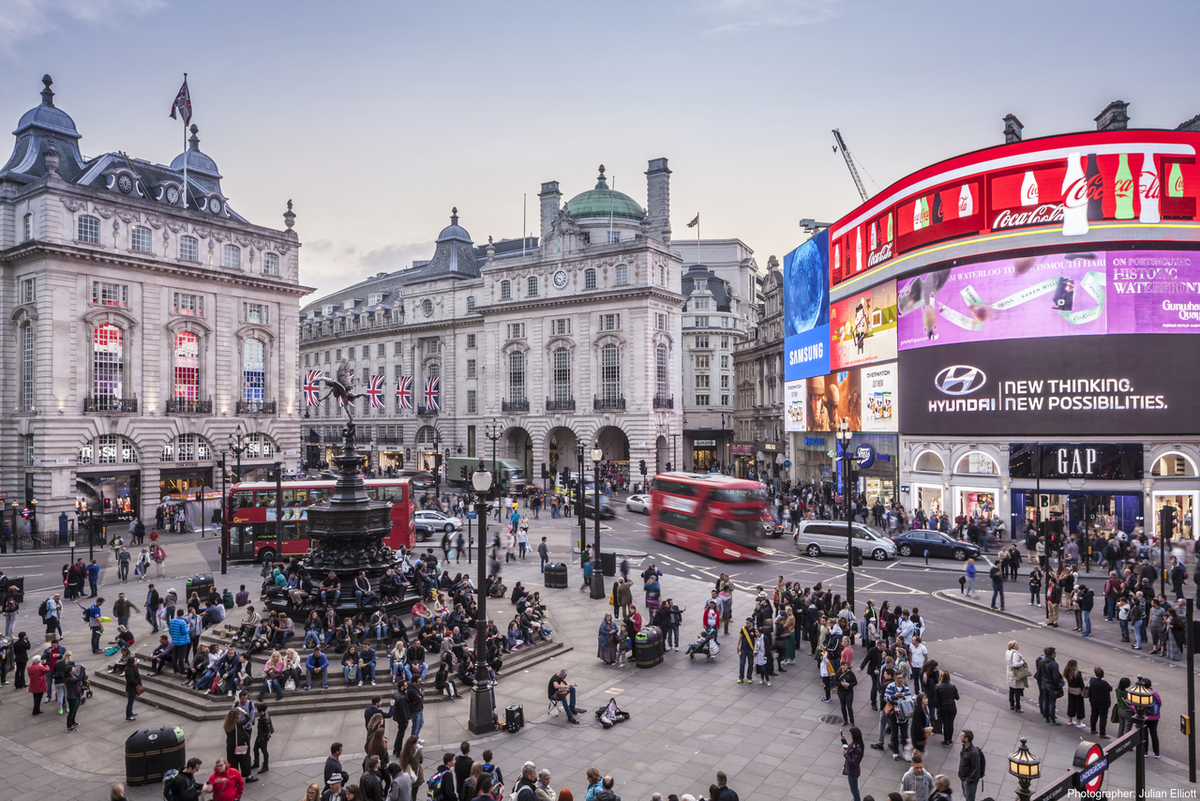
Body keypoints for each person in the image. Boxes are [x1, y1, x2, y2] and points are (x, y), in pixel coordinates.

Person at [1036, 646, 1063, 724]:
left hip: (1043, 682)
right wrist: (1057, 685)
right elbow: (1055, 677)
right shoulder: (1054, 664)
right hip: (1050, 684)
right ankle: (1052, 718)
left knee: (1045, 700)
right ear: (1052, 654)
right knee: (1052, 702)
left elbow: (1039, 672)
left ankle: (1046, 716)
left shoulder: (1042, 661)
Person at [933, 671, 960, 747]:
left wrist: (937, 707)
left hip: (943, 707)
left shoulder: (938, 686)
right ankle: (950, 740)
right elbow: (957, 697)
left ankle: (946, 740)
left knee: (945, 724)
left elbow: (936, 699)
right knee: (951, 723)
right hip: (951, 707)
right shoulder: (952, 686)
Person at [957, 729, 982, 801]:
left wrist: (968, 780)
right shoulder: (965, 748)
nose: (959, 737)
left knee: (969, 799)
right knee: (966, 796)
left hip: (969, 781)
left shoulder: (973, 753)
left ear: (966, 739)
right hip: (963, 778)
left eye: (961, 736)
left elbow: (976, 769)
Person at [1088, 666, 1112, 739]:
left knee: (1094, 715)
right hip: (1103, 703)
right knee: (1103, 717)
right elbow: (1110, 688)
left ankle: (1093, 729)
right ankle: (1102, 733)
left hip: (1094, 700)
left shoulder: (1092, 680)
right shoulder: (1104, 683)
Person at [1004, 640, 1028, 713]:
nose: (1018, 646)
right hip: (1016, 673)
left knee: (1011, 689)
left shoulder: (1008, 652)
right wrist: (1022, 662)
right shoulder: (1015, 654)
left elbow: (1006, 662)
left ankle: (1012, 704)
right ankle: (1018, 707)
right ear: (1013, 646)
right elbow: (1015, 664)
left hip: (1010, 673)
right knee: (1017, 690)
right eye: (1016, 645)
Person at [841, 726, 863, 801]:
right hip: (850, 770)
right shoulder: (854, 744)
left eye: (850, 734)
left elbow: (853, 763)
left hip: (852, 772)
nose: (849, 735)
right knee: (854, 790)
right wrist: (843, 741)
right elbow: (849, 749)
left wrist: (845, 754)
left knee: (854, 790)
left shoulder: (857, 749)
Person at [251, 703, 274, 774]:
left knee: (264, 751)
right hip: (260, 736)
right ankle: (257, 763)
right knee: (255, 749)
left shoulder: (264, 718)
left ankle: (265, 766)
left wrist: (268, 733)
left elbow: (267, 727)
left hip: (262, 737)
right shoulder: (265, 715)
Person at [1064, 659, 1086, 728]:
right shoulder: (1078, 673)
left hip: (1070, 690)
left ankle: (1070, 720)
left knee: (1071, 704)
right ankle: (1079, 722)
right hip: (1078, 691)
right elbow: (1081, 684)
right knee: (1079, 706)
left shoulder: (1066, 672)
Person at [737, 617, 757, 684]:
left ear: (751, 623)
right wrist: (738, 646)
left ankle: (749, 677)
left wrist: (755, 650)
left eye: (748, 623)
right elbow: (739, 638)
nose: (746, 624)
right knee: (742, 664)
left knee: (750, 664)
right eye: (746, 622)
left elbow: (755, 641)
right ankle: (741, 677)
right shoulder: (743, 629)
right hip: (743, 649)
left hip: (750, 650)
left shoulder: (754, 631)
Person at [124, 654, 141, 720]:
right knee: (130, 702)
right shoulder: (129, 669)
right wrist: (137, 684)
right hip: (132, 688)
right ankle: (128, 715)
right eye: (135, 660)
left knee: (131, 701)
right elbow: (131, 679)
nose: (136, 661)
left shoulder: (134, 667)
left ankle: (130, 712)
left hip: (133, 687)